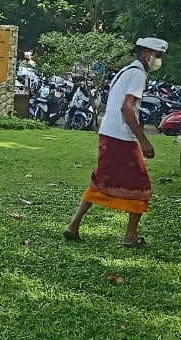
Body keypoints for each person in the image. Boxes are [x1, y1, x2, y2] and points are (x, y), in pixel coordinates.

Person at [64, 37, 168, 248]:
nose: (158, 61)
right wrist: (144, 141)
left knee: (101, 179)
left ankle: (73, 226)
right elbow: (127, 108)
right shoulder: (138, 75)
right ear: (146, 54)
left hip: (108, 133)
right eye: (157, 56)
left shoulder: (125, 72)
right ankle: (130, 235)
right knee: (141, 185)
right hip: (122, 136)